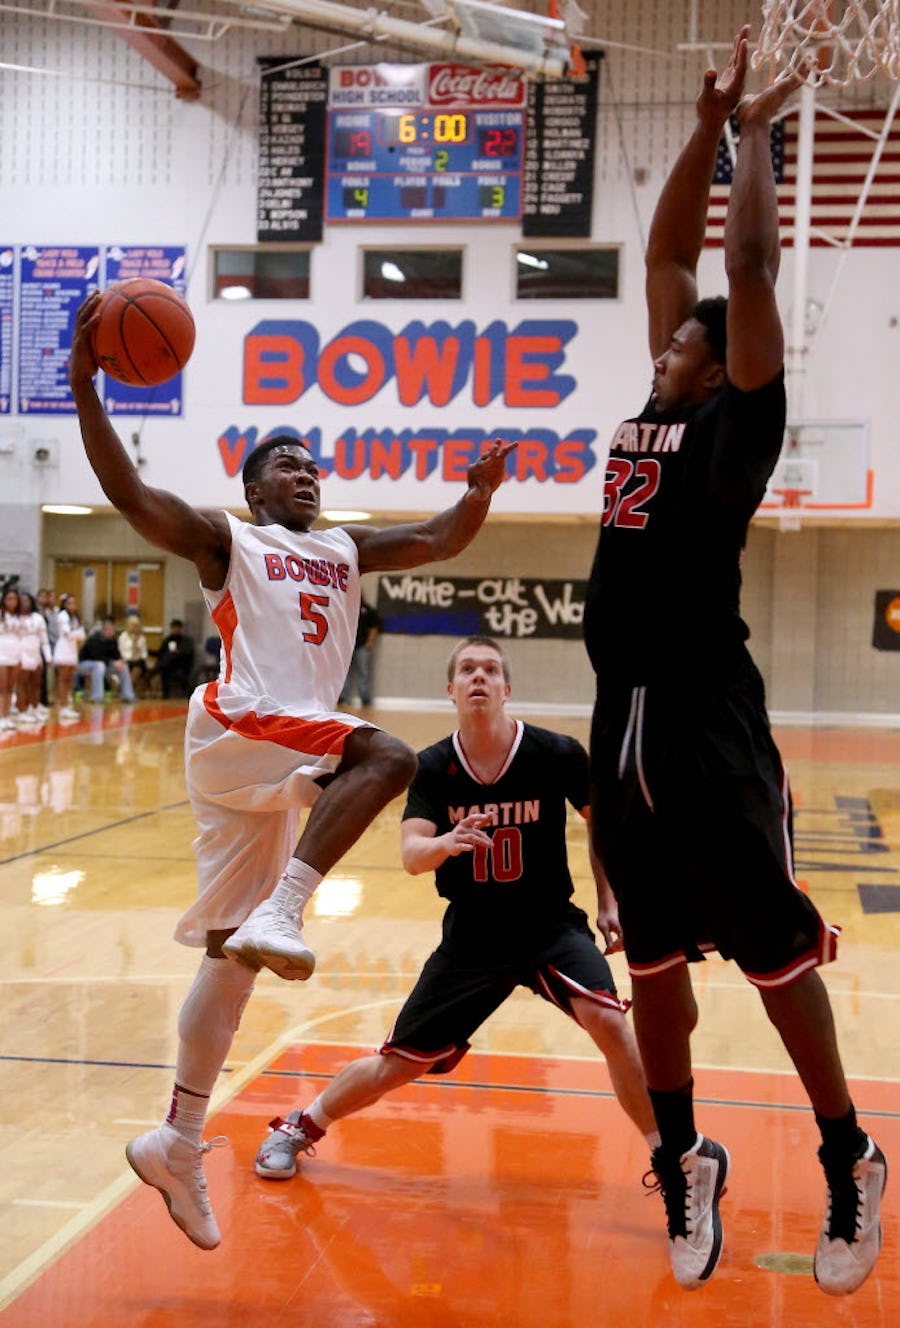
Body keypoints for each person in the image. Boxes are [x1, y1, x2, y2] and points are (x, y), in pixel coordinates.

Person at [69, 293, 515, 1254]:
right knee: (389, 753)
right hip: (242, 723)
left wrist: (476, 493)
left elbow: (439, 538)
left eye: (313, 464)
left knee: (229, 956)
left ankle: (178, 1140)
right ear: (254, 486)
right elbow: (128, 496)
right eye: (286, 463)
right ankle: (291, 906)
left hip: (278, 757)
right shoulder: (232, 541)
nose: (305, 473)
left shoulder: (345, 549)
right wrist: (83, 383)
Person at [583, 28, 886, 1297]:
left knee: (773, 959)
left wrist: (759, 131)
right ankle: (683, 1153)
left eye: (686, 342)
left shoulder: (735, 419)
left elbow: (740, 265)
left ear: (724, 364)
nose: (664, 342)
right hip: (620, 723)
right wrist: (704, 120)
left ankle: (849, 1150)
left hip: (707, 718)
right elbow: (664, 254)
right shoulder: (656, 405)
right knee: (649, 961)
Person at [255, 634, 659, 1181]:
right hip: (473, 939)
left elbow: (604, 826)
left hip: (549, 926)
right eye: (467, 669)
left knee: (609, 1022)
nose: (479, 677)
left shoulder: (556, 754)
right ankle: (300, 1126)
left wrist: (610, 901)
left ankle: (669, 1154)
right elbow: (411, 855)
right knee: (395, 1068)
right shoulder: (432, 767)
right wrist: (446, 844)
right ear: (450, 689)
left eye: (490, 670)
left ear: (506, 688)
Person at [76, 617, 136, 703]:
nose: (112, 632)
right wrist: (113, 662)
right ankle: (97, 697)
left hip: (104, 665)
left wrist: (120, 661)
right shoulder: (94, 639)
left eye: (113, 630)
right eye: (110, 630)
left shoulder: (113, 640)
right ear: (104, 630)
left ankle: (127, 695)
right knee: (99, 665)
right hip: (84, 665)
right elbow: (96, 657)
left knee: (123, 667)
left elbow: (116, 655)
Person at [339, 596, 382, 707]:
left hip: (361, 646)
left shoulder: (366, 609)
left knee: (364, 673)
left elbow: (374, 626)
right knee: (343, 675)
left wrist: (369, 643)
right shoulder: (343, 608)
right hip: (345, 647)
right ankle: (343, 698)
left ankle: (365, 699)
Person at [15, 591, 51, 724]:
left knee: (36, 683)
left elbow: (44, 639)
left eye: (27, 600)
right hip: (21, 653)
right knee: (22, 683)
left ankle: (34, 707)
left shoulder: (38, 618)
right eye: (22, 600)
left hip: (35, 653)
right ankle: (21, 709)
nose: (25, 603)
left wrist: (48, 656)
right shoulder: (15, 618)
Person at [51, 594, 85, 720]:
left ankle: (66, 704)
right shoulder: (62, 616)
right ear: (64, 604)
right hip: (63, 649)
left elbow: (82, 635)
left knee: (69, 679)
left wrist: (76, 634)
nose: (73, 606)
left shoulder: (74, 617)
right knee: (62, 679)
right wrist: (77, 634)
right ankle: (62, 705)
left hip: (72, 650)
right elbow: (68, 634)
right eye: (70, 603)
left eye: (74, 603)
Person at [0, 586, 22, 731]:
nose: (12, 602)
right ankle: (1, 717)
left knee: (10, 687)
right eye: (9, 599)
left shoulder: (19, 617)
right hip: (2, 653)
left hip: (15, 653)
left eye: (14, 599)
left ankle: (7, 716)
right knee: (2, 687)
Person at [156, 618, 195, 698]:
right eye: (174, 628)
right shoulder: (167, 640)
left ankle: (187, 695)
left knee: (170, 661)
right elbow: (160, 653)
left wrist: (179, 652)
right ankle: (165, 695)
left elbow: (189, 653)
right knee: (165, 666)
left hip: (181, 665)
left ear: (180, 629)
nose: (176, 630)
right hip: (169, 666)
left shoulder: (186, 640)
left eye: (177, 628)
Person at [118, 615, 150, 691]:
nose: (134, 627)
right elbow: (120, 652)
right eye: (132, 625)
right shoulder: (123, 637)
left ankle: (126, 688)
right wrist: (130, 658)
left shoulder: (141, 637)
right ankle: (128, 689)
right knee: (133, 666)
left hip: (139, 661)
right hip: (127, 660)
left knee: (138, 666)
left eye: (136, 626)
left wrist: (140, 656)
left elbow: (145, 653)